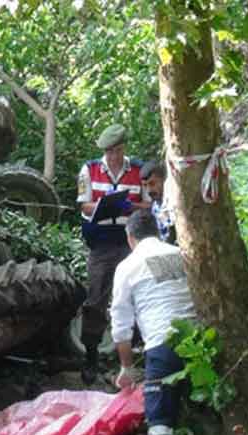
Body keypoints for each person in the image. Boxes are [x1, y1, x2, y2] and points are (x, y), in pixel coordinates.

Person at [110, 210, 197, 435]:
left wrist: (126, 367)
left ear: (130, 238)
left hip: (163, 343)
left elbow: (121, 325)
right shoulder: (180, 253)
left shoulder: (128, 266)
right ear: (158, 232)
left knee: (157, 411)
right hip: (199, 339)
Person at [76, 124, 145, 384]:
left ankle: (134, 355)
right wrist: (105, 206)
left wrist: (129, 205)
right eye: (108, 151)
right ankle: (90, 356)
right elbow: (83, 204)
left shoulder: (137, 170)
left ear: (123, 148)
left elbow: (150, 203)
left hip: (131, 244)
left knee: (136, 296)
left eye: (117, 151)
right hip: (101, 245)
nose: (113, 156)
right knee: (95, 300)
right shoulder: (90, 169)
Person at [140, 161, 176, 245]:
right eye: (145, 185)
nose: (149, 190)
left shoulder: (174, 204)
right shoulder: (156, 206)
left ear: (164, 180)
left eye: (152, 184)